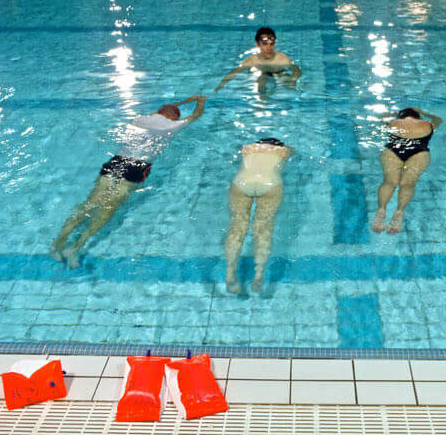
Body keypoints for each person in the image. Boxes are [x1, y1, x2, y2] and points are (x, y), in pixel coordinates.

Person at [50, 95, 207, 268]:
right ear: (174, 117)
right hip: (136, 168)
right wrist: (200, 101)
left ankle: (57, 243)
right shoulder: (172, 126)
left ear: (160, 111)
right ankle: (75, 247)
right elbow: (196, 115)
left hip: (117, 162)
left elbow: (156, 113)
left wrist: (165, 108)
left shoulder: (139, 119)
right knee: (107, 210)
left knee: (90, 203)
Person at [225, 138, 293, 294]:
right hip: (270, 184)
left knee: (238, 227)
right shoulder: (283, 151)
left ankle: (230, 274)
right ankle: (259, 274)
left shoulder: (247, 148)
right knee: (263, 228)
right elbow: (291, 151)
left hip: (242, 183)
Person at [371, 106, 442, 234]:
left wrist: (394, 113)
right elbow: (439, 120)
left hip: (393, 150)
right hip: (419, 152)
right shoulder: (427, 124)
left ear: (401, 116)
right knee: (408, 183)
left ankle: (381, 209)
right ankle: (399, 211)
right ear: (418, 116)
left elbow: (380, 116)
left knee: (389, 182)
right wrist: (423, 111)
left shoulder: (393, 123)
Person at [214, 27, 301, 96]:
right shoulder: (252, 60)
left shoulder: (282, 59)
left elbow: (297, 70)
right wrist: (220, 85)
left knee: (290, 86)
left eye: (272, 44)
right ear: (257, 44)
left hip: (279, 71)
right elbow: (234, 73)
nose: (269, 48)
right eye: (265, 44)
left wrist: (294, 79)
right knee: (261, 84)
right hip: (263, 71)